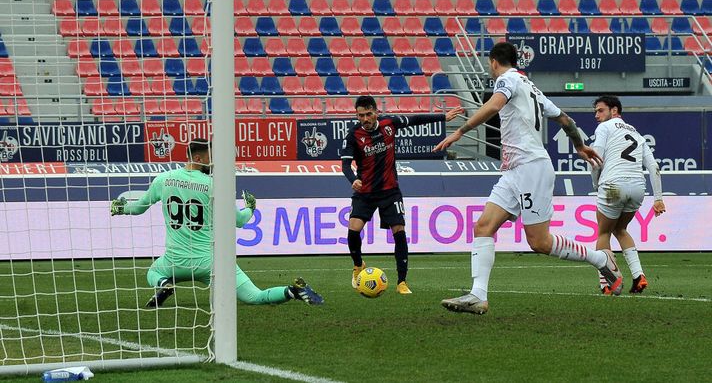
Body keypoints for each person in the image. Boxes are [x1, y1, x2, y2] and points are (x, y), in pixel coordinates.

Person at [434, 42, 623, 315]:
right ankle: (478, 295)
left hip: (532, 167)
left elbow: (494, 104)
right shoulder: (530, 86)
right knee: (483, 226)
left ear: (494, 62)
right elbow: (565, 119)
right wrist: (580, 145)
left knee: (539, 242)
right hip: (513, 170)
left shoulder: (507, 80)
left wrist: (460, 131)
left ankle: (600, 258)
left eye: (490, 64)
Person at [110, 138, 323, 308]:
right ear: (199, 157)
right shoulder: (213, 185)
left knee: (153, 273)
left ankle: (164, 285)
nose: (214, 163)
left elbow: (138, 208)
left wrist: (120, 208)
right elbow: (239, 221)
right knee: (254, 297)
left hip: (174, 261)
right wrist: (250, 207)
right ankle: (292, 291)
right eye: (211, 158)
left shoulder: (163, 179)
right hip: (210, 264)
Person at [342, 95, 461, 294]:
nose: (365, 119)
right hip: (365, 192)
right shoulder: (353, 135)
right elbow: (345, 164)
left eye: (368, 114)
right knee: (353, 229)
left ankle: (401, 282)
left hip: (390, 190)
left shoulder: (389, 124)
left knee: (399, 231)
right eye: (361, 115)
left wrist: (443, 117)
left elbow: (414, 120)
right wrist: (352, 179)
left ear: (376, 112)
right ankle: (357, 265)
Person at [590, 95, 665, 295]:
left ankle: (607, 283)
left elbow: (595, 159)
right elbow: (653, 166)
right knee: (621, 229)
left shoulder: (604, 128)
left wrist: (596, 183)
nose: (597, 115)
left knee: (603, 233)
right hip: (637, 188)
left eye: (600, 110)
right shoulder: (638, 135)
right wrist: (658, 198)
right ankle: (639, 276)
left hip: (613, 185)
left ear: (614, 111)